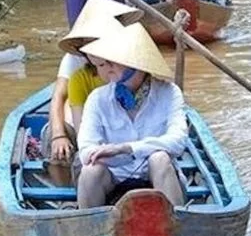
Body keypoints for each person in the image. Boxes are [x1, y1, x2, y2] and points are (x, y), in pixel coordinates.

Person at [76, 23, 187, 209]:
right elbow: (86, 150)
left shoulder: (169, 92)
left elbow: (177, 141)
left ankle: (176, 221)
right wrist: (113, 155)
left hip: (158, 174)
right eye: (101, 65)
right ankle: (88, 225)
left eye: (112, 61)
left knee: (159, 158)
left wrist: (126, 148)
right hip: (113, 175)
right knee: (90, 171)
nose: (105, 69)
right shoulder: (97, 99)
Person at [45, 0, 142, 165]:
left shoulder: (132, 60)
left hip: (128, 130)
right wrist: (58, 135)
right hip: (86, 128)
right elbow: (59, 97)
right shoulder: (78, 71)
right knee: (56, 142)